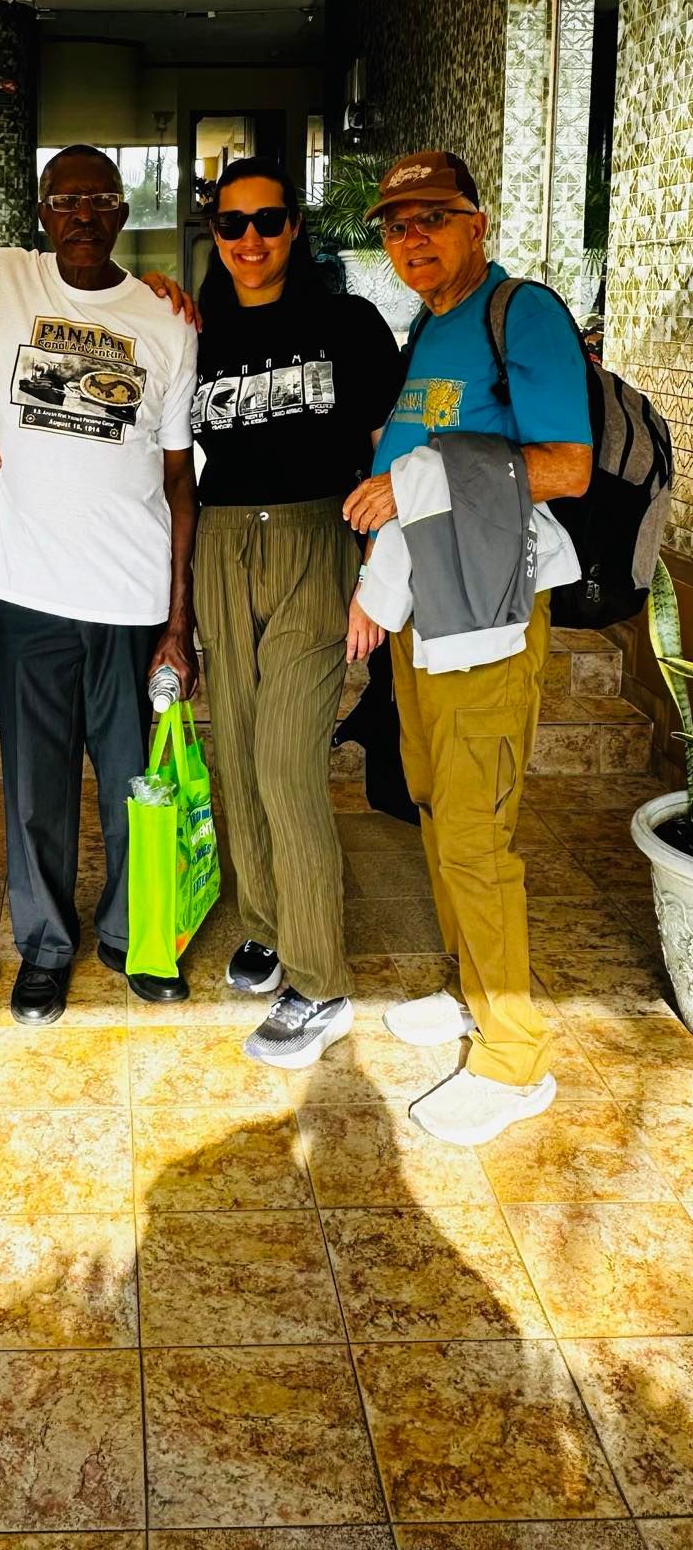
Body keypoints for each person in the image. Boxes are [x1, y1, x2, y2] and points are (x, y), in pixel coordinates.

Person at [343, 150, 592, 1146]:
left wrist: (414, 481)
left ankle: (514, 1054)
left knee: (477, 832)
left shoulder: (518, 312)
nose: (412, 237)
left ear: (476, 222)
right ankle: (468, 987)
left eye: (432, 217)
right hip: (427, 613)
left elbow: (564, 466)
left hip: (486, 613)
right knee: (438, 804)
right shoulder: (433, 324)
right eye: (397, 224)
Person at [0, 146, 199, 1025]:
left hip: (130, 596)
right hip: (25, 593)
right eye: (64, 198)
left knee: (133, 784)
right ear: (40, 211)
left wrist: (177, 619)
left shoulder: (166, 318)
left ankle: (132, 936)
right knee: (36, 789)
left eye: (99, 198)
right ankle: (45, 946)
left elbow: (180, 474)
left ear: (124, 211)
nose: (82, 212)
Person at [187, 159, 402, 1065]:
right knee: (235, 750)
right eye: (231, 225)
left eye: (267, 222)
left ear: (296, 228)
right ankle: (267, 926)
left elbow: (393, 452)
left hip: (317, 540)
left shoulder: (346, 324)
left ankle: (322, 984)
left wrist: (378, 578)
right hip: (220, 541)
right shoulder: (193, 329)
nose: (250, 241)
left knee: (285, 762)